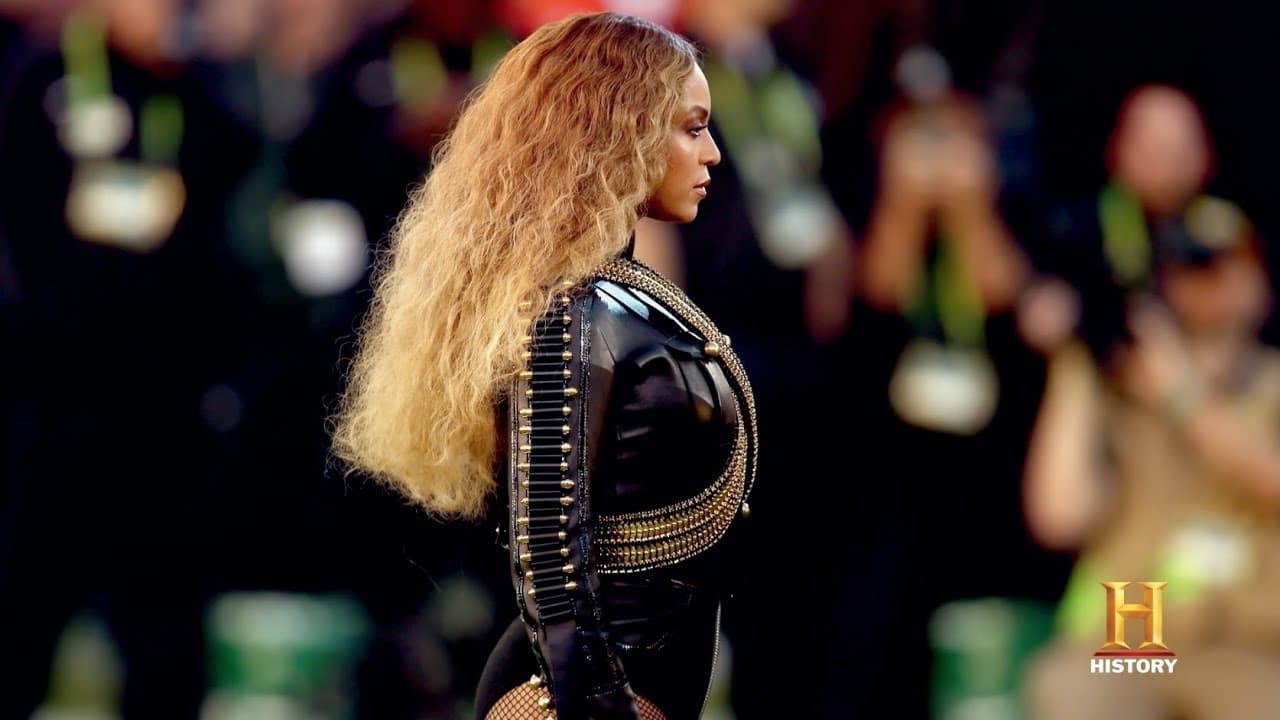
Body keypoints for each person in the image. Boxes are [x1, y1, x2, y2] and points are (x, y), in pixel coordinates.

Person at [329, 12, 758, 720]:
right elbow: (550, 553)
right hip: (578, 689)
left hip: (638, 672)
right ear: (619, 130)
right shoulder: (571, 313)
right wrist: (596, 702)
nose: (712, 153)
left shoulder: (616, 294)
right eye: (691, 128)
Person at [1022, 199, 1280, 718]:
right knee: (1077, 694)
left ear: (1260, 280)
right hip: (1134, 636)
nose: (1209, 288)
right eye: (1190, 272)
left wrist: (1182, 395)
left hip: (1253, 642)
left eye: (1225, 267)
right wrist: (1076, 362)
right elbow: (1059, 517)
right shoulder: (1122, 393)